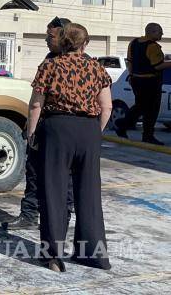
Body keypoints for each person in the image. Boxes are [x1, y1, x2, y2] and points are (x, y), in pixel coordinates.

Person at [27, 23, 112, 272]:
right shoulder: (97, 68)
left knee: (53, 191)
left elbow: (36, 105)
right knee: (89, 194)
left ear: (63, 41)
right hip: (88, 130)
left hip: (57, 129)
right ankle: (92, 255)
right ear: (85, 43)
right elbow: (106, 107)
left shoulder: (50, 66)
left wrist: (31, 133)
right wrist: (94, 132)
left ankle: (53, 256)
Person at [3, 17, 75, 230]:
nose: (46, 40)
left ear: (64, 36)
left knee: (66, 177)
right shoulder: (49, 59)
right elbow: (37, 99)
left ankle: (62, 218)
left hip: (63, 129)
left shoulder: (78, 61)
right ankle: (29, 214)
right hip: (43, 125)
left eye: (50, 36)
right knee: (34, 172)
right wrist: (31, 127)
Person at [115, 23, 171, 145]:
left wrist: (131, 75)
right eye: (159, 32)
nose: (162, 34)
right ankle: (142, 133)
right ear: (151, 32)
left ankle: (125, 126)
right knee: (151, 110)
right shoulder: (153, 46)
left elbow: (130, 62)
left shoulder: (133, 43)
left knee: (141, 107)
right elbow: (158, 66)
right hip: (150, 82)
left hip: (137, 80)